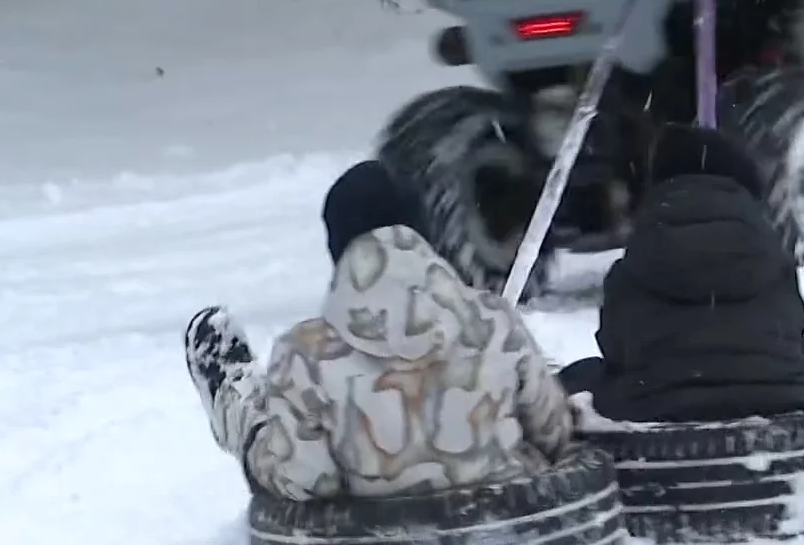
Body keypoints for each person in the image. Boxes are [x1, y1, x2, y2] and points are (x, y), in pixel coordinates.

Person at [183, 160, 578, 501]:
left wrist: (256, 445)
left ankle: (238, 405)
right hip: (509, 523)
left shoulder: (305, 355)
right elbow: (554, 432)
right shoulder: (495, 320)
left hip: (379, 543)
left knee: (269, 435)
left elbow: (304, 479)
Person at [557, 125, 804, 447]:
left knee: (579, 376)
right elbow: (792, 325)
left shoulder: (636, 257)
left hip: (650, 403)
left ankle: (528, 435)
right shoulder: (767, 246)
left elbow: (613, 342)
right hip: (781, 395)